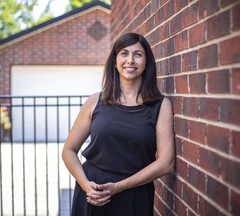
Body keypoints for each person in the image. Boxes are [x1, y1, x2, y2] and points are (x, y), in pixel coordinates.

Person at [62, 32, 175, 216]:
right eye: (124, 53)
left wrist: (118, 187)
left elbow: (166, 163)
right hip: (92, 193)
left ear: (146, 63)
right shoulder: (95, 101)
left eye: (138, 54)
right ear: (115, 61)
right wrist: (85, 185)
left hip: (135, 194)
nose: (130, 60)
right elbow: (69, 150)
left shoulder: (161, 106)